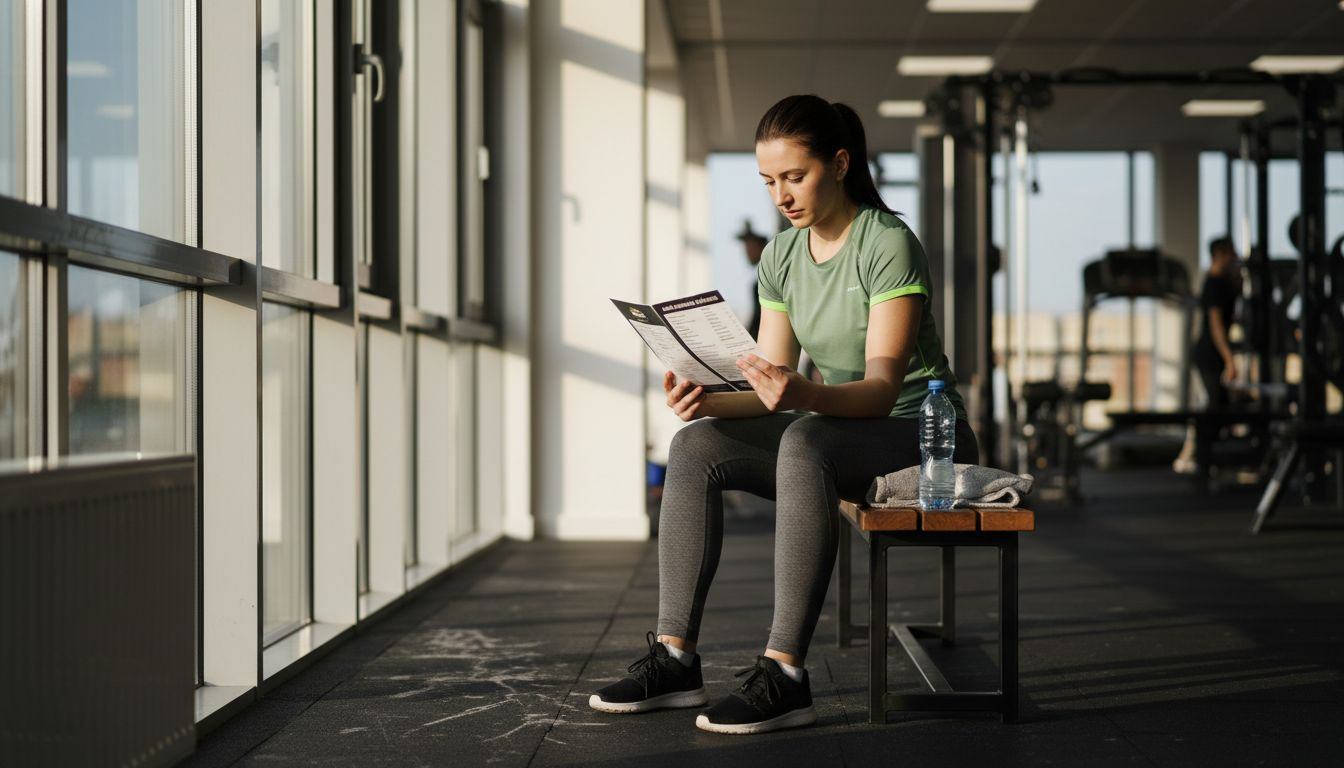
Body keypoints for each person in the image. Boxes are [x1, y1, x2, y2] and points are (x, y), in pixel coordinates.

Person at [588, 94, 978, 734]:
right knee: (695, 445)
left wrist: (803, 396)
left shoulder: (888, 244)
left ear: (840, 164)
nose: (782, 196)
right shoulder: (781, 256)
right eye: (769, 181)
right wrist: (706, 401)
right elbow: (771, 383)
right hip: (839, 430)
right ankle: (676, 659)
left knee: (805, 441)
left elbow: (881, 391)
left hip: (925, 436)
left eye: (795, 176)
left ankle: (787, 674)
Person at [1194, 236, 1242, 410]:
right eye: (1231, 253)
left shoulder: (1221, 282)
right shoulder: (1214, 284)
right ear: (1220, 254)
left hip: (1214, 353)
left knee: (1222, 403)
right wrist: (1229, 359)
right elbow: (1216, 325)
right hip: (1209, 353)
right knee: (1217, 405)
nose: (1235, 257)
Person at [736, 221, 768, 339]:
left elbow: (759, 321)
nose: (747, 251)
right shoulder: (757, 283)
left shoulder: (763, 284)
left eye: (750, 245)